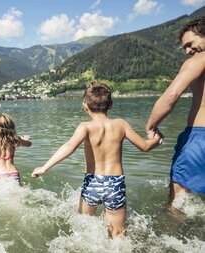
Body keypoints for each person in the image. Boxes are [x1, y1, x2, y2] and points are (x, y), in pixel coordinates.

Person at [32, 82, 163, 238]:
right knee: (119, 235)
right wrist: (155, 140)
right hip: (115, 183)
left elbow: (69, 146)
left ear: (85, 106)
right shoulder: (121, 124)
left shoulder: (85, 127)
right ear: (111, 105)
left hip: (92, 182)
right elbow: (145, 146)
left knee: (82, 230)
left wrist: (44, 167)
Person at [146, 17, 205, 209]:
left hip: (199, 138)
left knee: (178, 202)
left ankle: (170, 233)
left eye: (190, 44)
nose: (188, 51)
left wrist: (151, 125)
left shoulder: (198, 60)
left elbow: (171, 95)